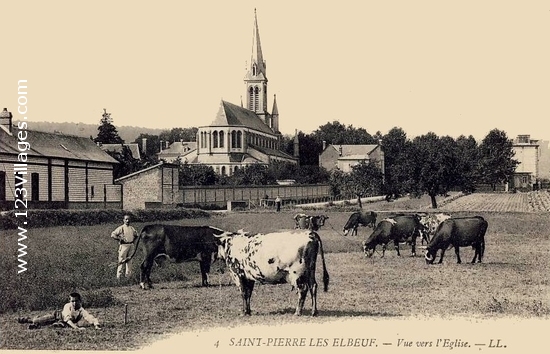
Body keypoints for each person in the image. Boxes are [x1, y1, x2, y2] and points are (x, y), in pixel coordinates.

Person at [17, 292, 101, 330]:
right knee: (38, 320)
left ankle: (36, 326)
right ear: (70, 301)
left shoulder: (81, 310)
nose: (74, 303)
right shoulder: (67, 306)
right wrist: (77, 328)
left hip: (63, 322)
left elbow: (90, 318)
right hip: (56, 316)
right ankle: (28, 320)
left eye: (76, 301)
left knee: (55, 327)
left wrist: (96, 325)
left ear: (80, 301)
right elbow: (68, 319)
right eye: (72, 301)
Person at [111, 214, 138, 280]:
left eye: (129, 219)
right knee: (121, 261)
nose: (127, 221)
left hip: (131, 245)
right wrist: (119, 239)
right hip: (123, 246)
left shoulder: (132, 228)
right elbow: (113, 235)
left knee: (129, 261)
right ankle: (119, 278)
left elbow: (136, 235)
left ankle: (128, 277)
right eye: (126, 219)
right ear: (123, 220)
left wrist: (133, 241)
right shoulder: (121, 228)